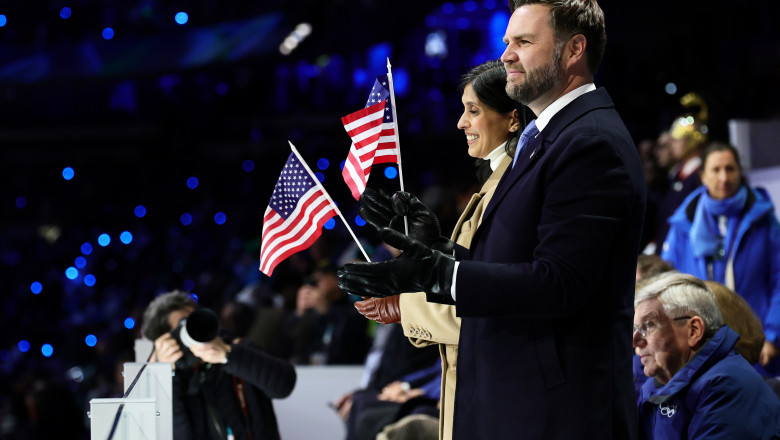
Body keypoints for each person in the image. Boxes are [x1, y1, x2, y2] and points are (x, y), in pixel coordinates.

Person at [338, 0, 646, 438]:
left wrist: (441, 274)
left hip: (553, 416)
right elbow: (513, 263)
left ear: (574, 49)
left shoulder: (590, 144)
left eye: (523, 41)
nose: (506, 55)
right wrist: (439, 251)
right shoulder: (551, 138)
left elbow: (559, 283)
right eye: (507, 42)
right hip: (518, 405)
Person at [354, 59, 522, 440]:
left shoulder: (515, 186)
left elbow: (498, 297)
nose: (461, 122)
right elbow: (477, 272)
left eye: (473, 110)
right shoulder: (497, 181)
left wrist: (405, 306)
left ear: (513, 118)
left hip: (495, 391)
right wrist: (430, 246)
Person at [661, 142, 780, 376]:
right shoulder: (684, 223)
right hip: (700, 348)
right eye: (716, 170)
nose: (724, 177)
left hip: (755, 345)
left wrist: (772, 336)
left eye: (730, 168)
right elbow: (669, 285)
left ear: (739, 172)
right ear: (703, 176)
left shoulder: (763, 220)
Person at [633, 272, 780, 439]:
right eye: (636, 329)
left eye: (649, 325)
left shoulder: (725, 385)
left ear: (694, 330)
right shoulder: (652, 387)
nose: (635, 341)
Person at [141, 291, 296, 440]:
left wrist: (228, 355)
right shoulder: (173, 381)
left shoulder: (237, 347)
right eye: (183, 327)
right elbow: (180, 435)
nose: (194, 328)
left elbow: (285, 385)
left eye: (194, 318)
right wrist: (165, 375)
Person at [646, 93, 709, 254]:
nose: (672, 145)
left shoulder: (701, 177)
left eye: (677, 140)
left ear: (691, 141)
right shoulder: (676, 176)